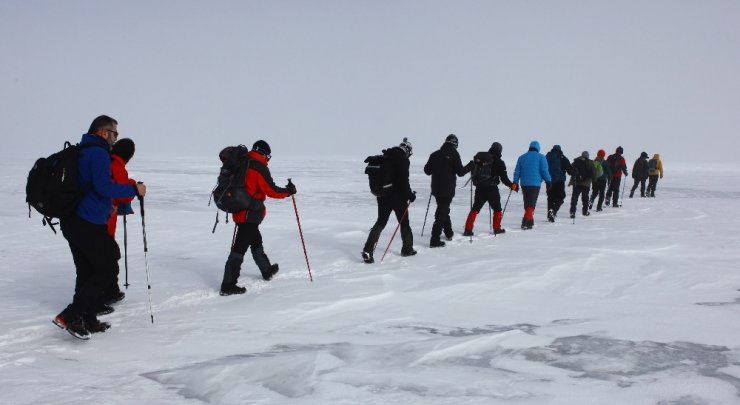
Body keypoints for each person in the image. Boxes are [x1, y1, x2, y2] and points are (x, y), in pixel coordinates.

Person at [53, 115, 146, 340]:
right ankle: (71, 315)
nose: (115, 139)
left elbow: (92, 188)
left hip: (73, 219)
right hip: (86, 222)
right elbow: (104, 187)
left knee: (87, 269)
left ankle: (88, 318)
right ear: (103, 132)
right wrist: (134, 190)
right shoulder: (98, 153)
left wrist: (106, 207)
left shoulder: (84, 150)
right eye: (114, 134)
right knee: (108, 265)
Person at [220, 140, 295, 296]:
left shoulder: (243, 162)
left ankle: (266, 270)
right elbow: (271, 190)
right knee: (239, 248)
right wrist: (288, 191)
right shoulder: (257, 167)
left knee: (256, 240)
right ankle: (228, 285)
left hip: (241, 211)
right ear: (264, 154)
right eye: (268, 156)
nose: (268, 159)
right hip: (250, 213)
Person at [362, 138, 417, 263]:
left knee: (381, 222)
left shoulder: (386, 156)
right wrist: (410, 196)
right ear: (407, 151)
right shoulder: (403, 160)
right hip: (397, 197)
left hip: (382, 195)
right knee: (404, 222)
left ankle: (368, 249)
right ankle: (407, 249)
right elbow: (404, 181)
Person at [103, 138, 138, 306]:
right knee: (108, 256)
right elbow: (123, 195)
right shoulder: (117, 166)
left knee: (102, 257)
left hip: (93, 218)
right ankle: (107, 293)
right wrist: (133, 185)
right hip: (104, 220)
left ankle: (108, 292)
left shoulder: (106, 161)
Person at [423, 134, 472, 247]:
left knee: (443, 210)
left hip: (436, 189)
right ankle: (434, 240)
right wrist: (470, 165)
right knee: (441, 213)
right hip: (447, 190)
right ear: (455, 144)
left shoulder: (434, 154)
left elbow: (427, 170)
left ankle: (449, 233)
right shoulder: (454, 154)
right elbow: (460, 172)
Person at [463, 142, 517, 236]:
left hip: (480, 188)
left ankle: (468, 229)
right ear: (500, 150)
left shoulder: (482, 159)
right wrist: (512, 185)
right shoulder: (499, 162)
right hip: (492, 189)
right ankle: (497, 228)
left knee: (475, 208)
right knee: (497, 209)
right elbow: (504, 179)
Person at [513, 140, 551, 230]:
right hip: (535, 184)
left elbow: (517, 171)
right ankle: (525, 222)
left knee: (527, 203)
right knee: (531, 203)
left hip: (524, 184)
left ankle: (530, 221)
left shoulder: (521, 157)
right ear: (538, 148)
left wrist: (515, 182)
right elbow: (544, 170)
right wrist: (548, 181)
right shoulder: (541, 157)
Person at [545, 145, 573, 222]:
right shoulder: (562, 158)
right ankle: (553, 211)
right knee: (561, 197)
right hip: (559, 181)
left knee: (550, 198)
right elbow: (570, 171)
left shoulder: (547, 157)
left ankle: (550, 213)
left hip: (549, 181)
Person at [569, 151, 595, 218]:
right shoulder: (590, 162)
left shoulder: (576, 161)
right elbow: (593, 173)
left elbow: (570, 170)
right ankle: (585, 212)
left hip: (576, 183)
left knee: (574, 198)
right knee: (585, 198)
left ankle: (572, 212)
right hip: (586, 184)